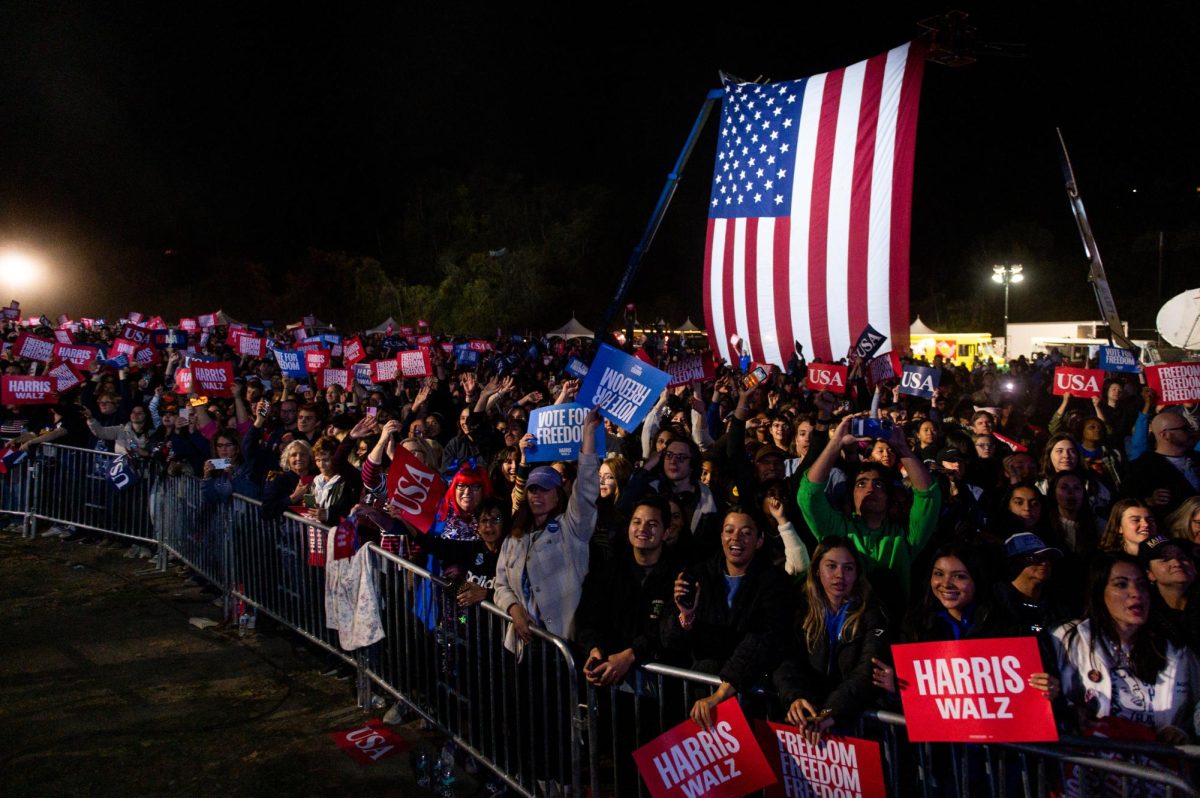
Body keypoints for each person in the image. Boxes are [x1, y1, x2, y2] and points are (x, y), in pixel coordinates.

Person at [663, 507, 794, 730]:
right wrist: (686, 616)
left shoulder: (775, 582)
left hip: (750, 696)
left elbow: (763, 637)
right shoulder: (697, 576)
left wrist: (723, 691)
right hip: (699, 693)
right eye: (729, 531)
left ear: (760, 540)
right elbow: (669, 640)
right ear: (721, 536)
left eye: (746, 532)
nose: (736, 538)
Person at [1053, 553, 1200, 744]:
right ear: (1100, 592)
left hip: (1155, 765)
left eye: (1141, 584)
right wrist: (1071, 712)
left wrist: (1181, 731)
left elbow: (1194, 711)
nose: (1136, 593)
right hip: (1093, 764)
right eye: (1121, 584)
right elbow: (1054, 700)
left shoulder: (1174, 648)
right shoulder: (1068, 638)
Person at [798, 416, 941, 602]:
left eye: (879, 485)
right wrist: (836, 442)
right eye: (861, 484)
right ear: (850, 497)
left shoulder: (905, 536)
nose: (870, 489)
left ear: (890, 499)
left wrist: (902, 448)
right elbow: (808, 495)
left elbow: (929, 495)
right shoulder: (838, 531)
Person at [493, 410, 601, 651]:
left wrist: (588, 437)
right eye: (532, 489)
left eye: (544, 489)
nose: (537, 495)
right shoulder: (515, 536)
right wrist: (515, 610)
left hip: (561, 645)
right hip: (521, 643)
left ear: (558, 494)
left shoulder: (572, 528)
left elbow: (585, 490)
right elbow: (500, 584)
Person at [773, 537, 887, 742]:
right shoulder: (799, 607)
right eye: (831, 566)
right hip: (807, 716)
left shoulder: (872, 613)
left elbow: (867, 669)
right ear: (817, 569)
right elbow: (784, 658)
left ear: (857, 573)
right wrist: (795, 697)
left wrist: (830, 712)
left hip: (848, 721)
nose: (839, 575)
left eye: (848, 568)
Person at [576, 495, 680, 687]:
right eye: (637, 522)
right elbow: (587, 617)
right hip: (610, 679)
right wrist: (593, 649)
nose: (642, 529)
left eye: (652, 524)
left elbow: (668, 629)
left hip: (661, 684)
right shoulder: (607, 570)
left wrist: (631, 654)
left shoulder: (677, 575)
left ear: (666, 532)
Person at [1123, 411, 1200, 524]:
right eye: (1184, 429)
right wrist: (1148, 502)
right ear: (1165, 435)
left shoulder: (1197, 459)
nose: (1191, 433)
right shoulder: (1142, 467)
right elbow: (1123, 503)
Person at [1140, 535, 1200, 654]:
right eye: (1165, 559)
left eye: (1182, 557)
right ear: (1150, 574)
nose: (1177, 563)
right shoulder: (1145, 615)